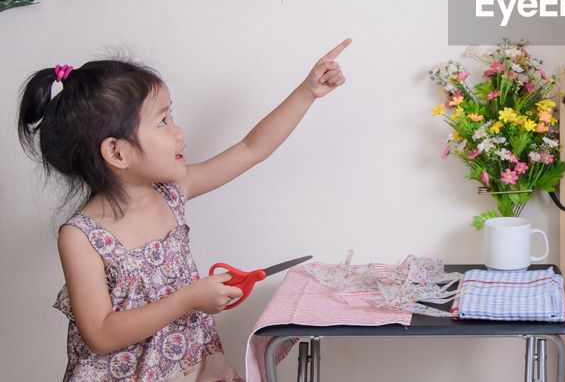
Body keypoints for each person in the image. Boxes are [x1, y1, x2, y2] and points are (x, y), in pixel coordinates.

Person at [17, 39, 352, 382]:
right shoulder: (81, 237)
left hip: (193, 370)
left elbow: (252, 148)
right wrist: (189, 298)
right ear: (117, 153)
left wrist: (307, 92)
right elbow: (101, 334)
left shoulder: (172, 194)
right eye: (162, 121)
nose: (179, 132)